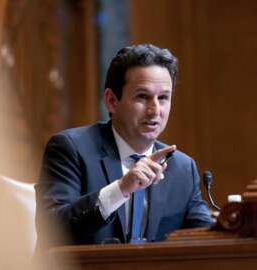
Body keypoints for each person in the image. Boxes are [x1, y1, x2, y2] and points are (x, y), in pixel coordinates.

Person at [34, 44, 213, 253]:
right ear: (111, 101)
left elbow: (206, 238)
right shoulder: (71, 148)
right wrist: (121, 189)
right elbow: (52, 231)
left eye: (163, 97)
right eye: (142, 97)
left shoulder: (181, 167)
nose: (155, 110)